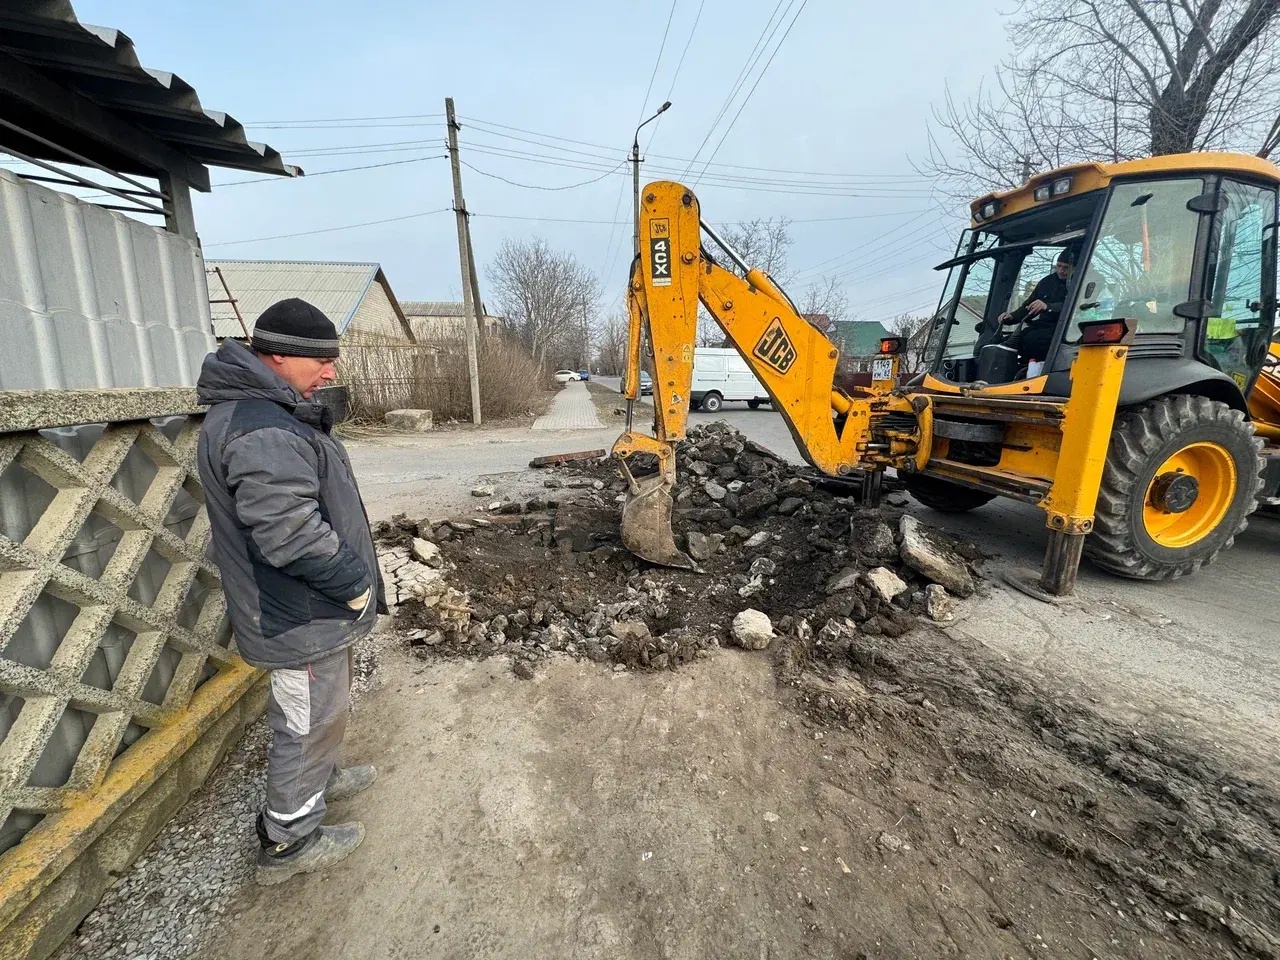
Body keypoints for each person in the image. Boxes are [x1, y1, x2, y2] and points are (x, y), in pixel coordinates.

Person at [196, 298, 385, 886]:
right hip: (298, 613)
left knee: (322, 713)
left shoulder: (268, 413)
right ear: (279, 355)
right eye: (322, 360)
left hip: (309, 610)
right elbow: (291, 534)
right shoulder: (261, 430)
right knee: (304, 722)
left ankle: (320, 780)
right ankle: (287, 841)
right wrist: (355, 584)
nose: (331, 372)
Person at [998, 249, 1076, 366]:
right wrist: (1012, 317)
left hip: (1070, 327)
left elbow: (1078, 305)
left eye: (1066, 268)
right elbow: (1029, 306)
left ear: (1076, 268)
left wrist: (1048, 306)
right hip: (1044, 326)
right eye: (1058, 266)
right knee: (1009, 341)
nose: (1060, 271)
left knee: (1034, 339)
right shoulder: (1047, 282)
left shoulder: (1086, 281)